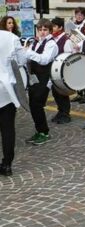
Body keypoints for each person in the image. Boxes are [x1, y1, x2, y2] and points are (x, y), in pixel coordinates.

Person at [25, 19, 58, 145]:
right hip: (34, 78)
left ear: (49, 30)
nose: (42, 32)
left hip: (44, 78)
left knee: (37, 105)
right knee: (33, 105)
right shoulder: (36, 42)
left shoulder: (51, 44)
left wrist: (28, 53)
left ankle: (44, 132)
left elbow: (44, 60)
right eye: (40, 30)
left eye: (45, 30)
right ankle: (39, 130)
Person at [0, 30, 27, 176]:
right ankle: (7, 164)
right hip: (6, 89)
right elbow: (22, 61)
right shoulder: (11, 37)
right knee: (7, 129)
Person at [51, 17, 74, 124]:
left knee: (62, 93)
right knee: (56, 93)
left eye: (54, 26)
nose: (52, 28)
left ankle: (65, 113)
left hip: (62, 71)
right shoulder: (52, 39)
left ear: (60, 27)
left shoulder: (66, 40)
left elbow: (68, 57)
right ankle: (60, 111)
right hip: (54, 70)